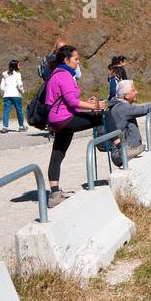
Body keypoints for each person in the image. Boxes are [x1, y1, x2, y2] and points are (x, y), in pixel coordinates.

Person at [45, 45, 104, 207]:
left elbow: (66, 103)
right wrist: (94, 107)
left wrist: (87, 104)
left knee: (57, 154)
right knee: (103, 117)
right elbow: (71, 102)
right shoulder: (64, 75)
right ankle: (119, 149)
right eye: (76, 59)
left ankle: (54, 193)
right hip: (64, 119)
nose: (78, 62)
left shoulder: (55, 75)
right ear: (66, 60)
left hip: (56, 120)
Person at [105, 79, 151, 160]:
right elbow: (145, 109)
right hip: (121, 153)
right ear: (126, 95)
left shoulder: (119, 105)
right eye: (134, 90)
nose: (137, 92)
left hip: (126, 150)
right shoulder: (123, 108)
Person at [0, 59, 25, 133]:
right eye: (19, 65)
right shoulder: (18, 74)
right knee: (19, 110)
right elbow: (19, 85)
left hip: (7, 95)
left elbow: (1, 87)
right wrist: (22, 91)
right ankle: (21, 126)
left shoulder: (5, 74)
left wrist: (7, 91)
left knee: (6, 111)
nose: (20, 66)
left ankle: (5, 127)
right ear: (15, 66)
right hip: (16, 95)